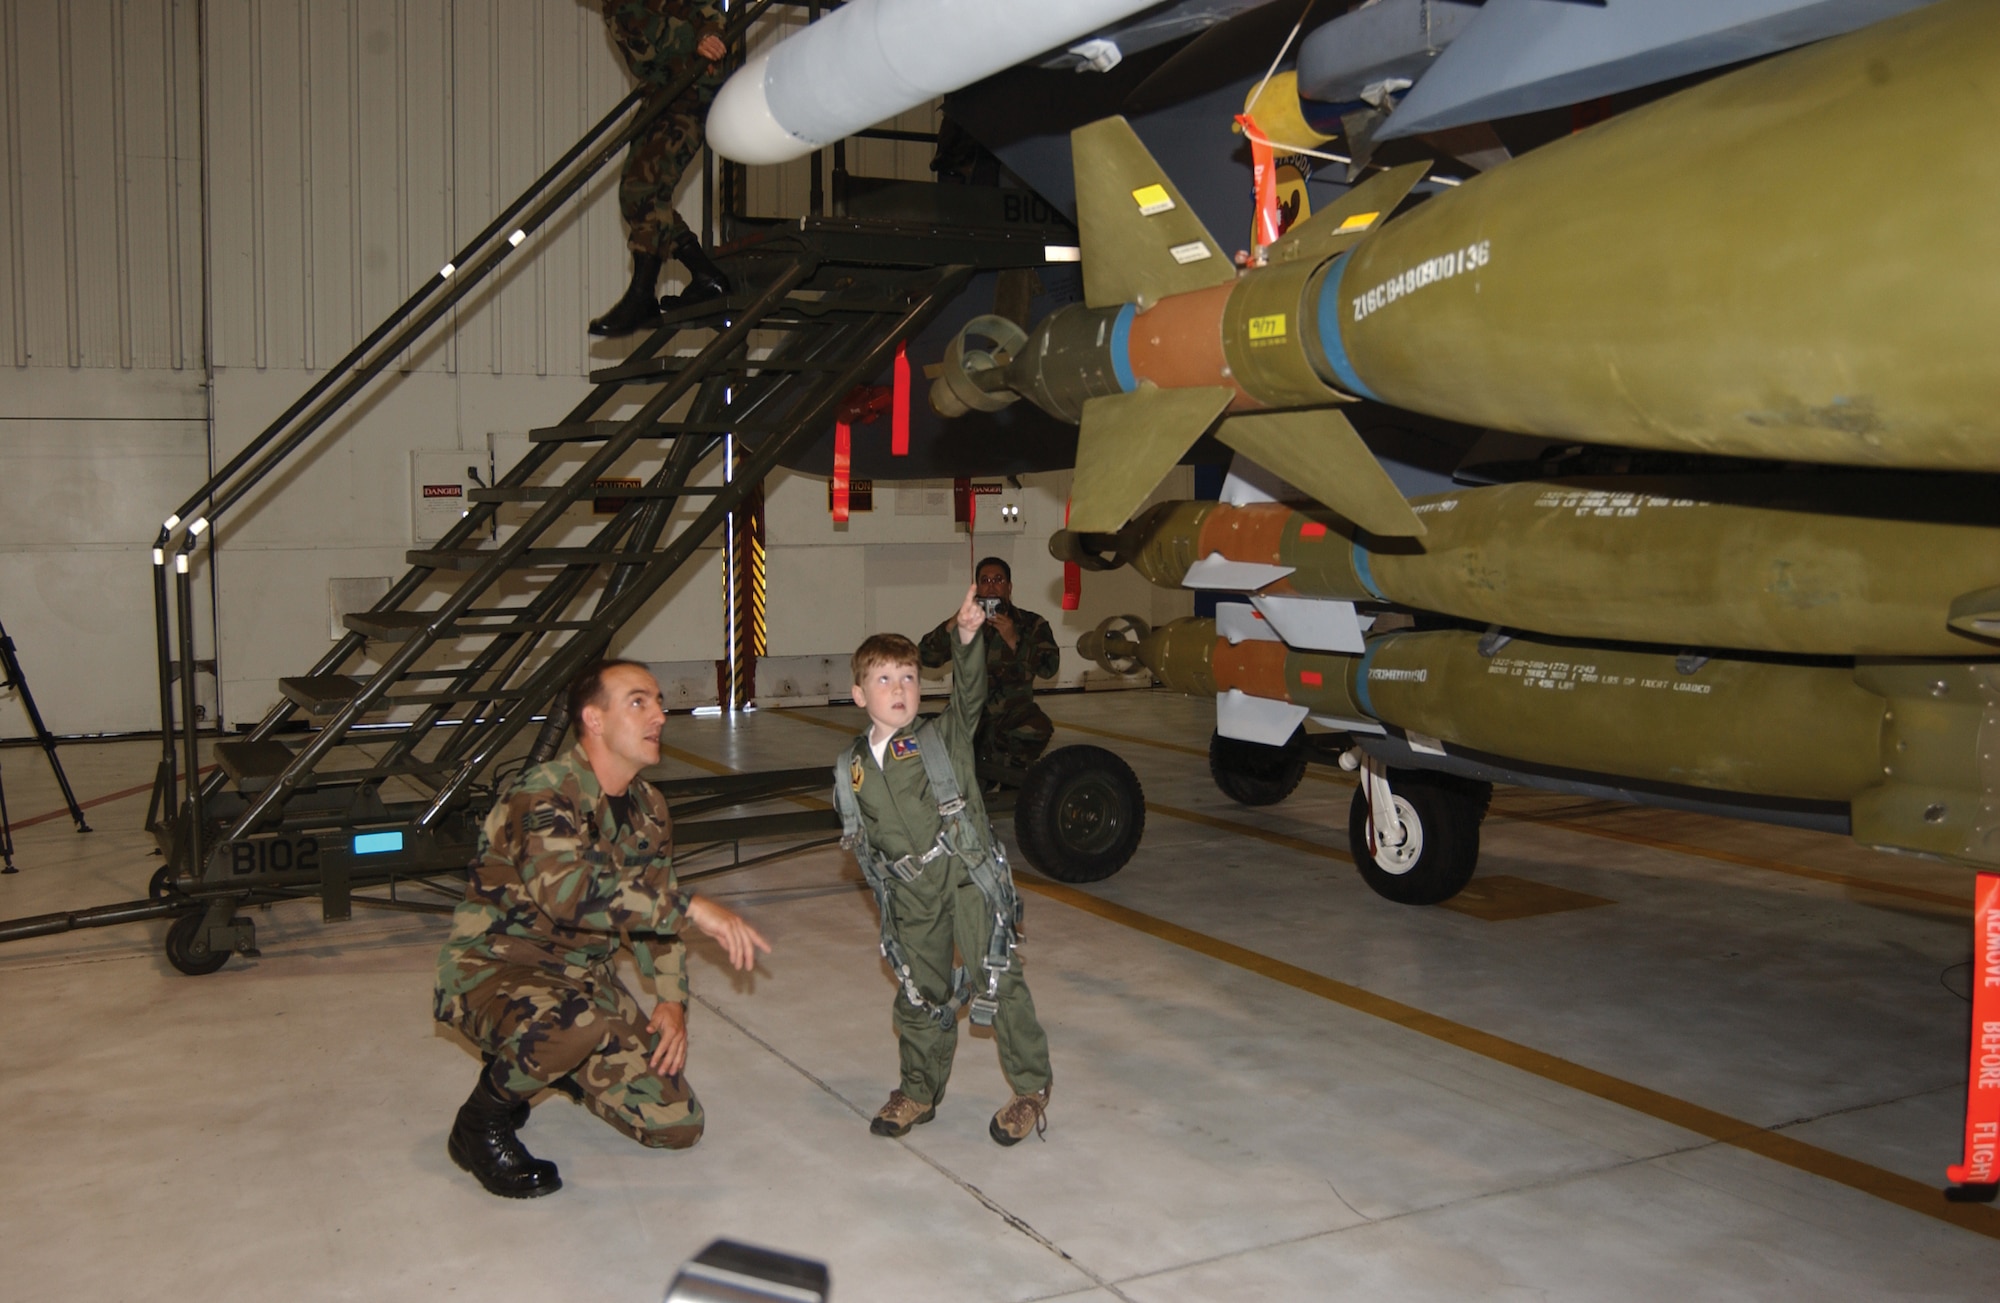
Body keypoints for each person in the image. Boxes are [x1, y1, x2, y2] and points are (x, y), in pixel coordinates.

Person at [433, 659, 771, 1198]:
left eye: (659, 701)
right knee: (579, 1022)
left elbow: (650, 910)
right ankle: (479, 1125)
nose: (659, 714)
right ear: (593, 719)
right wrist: (693, 908)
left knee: (676, 1123)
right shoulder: (542, 795)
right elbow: (567, 895)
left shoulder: (649, 810)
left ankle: (553, 1058)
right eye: (639, 702)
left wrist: (670, 999)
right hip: (492, 973)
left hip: (580, 981)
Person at [834, 587, 1054, 1146]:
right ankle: (919, 1091)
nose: (899, 689)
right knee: (917, 994)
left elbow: (971, 697)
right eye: (884, 680)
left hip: (964, 879)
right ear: (859, 694)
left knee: (997, 979)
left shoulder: (941, 739)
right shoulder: (850, 768)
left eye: (908, 677)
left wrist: (966, 638)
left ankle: (1030, 1089)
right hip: (912, 897)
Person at [589, 0, 735, 338]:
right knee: (637, 195)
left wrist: (709, 33)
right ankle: (707, 277)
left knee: (645, 192)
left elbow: (702, 9)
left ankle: (642, 297)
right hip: (665, 96)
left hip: (690, 94)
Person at [917, 557, 1060, 771]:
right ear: (977, 589)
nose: (991, 585)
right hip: (968, 716)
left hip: (1010, 716)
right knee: (921, 736)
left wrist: (1014, 640)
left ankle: (1008, 770)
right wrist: (953, 623)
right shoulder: (966, 624)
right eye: (985, 580)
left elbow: (1050, 667)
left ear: (1009, 587)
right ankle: (979, 768)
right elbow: (925, 656)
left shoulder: (1031, 623)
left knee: (1037, 726)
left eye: (998, 580)